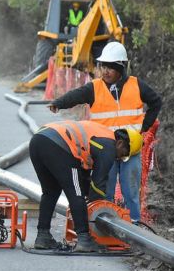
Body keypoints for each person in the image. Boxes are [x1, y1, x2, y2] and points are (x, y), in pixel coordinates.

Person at [47, 42, 162, 223]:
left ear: (121, 68)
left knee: (130, 192)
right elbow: (76, 95)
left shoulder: (136, 85)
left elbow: (156, 102)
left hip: (130, 149)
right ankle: (104, 226)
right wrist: (58, 103)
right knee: (105, 192)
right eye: (103, 66)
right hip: (105, 150)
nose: (105, 71)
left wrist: (144, 128)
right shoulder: (95, 87)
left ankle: (135, 229)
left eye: (110, 67)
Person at [30, 120, 143, 252]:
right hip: (59, 145)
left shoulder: (100, 137)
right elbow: (98, 182)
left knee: (50, 192)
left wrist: (88, 196)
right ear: (120, 143)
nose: (118, 158)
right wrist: (97, 208)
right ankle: (84, 239)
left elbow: (84, 177)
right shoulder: (109, 146)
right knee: (75, 193)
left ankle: (43, 236)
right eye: (123, 154)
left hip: (38, 140)